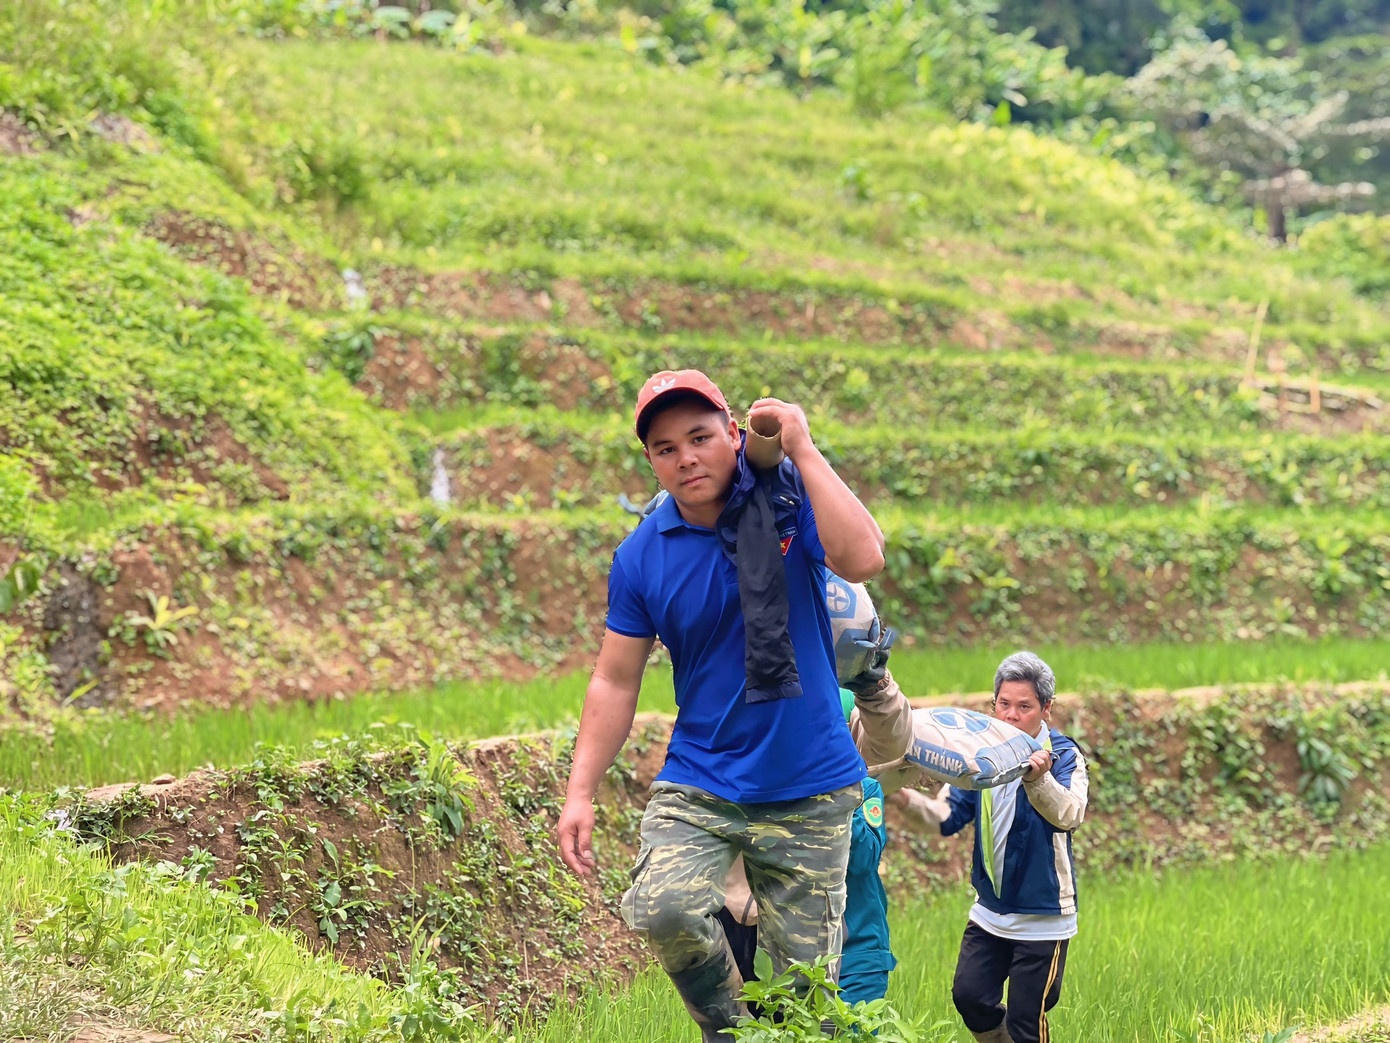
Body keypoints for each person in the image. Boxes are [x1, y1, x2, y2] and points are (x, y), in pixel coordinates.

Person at [555, 369, 885, 1041]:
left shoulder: (787, 498)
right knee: (662, 906)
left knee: (808, 1007)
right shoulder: (642, 555)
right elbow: (615, 679)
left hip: (810, 783)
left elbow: (863, 558)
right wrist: (579, 791)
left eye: (700, 437)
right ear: (652, 461)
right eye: (666, 448)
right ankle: (731, 1029)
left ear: (734, 435)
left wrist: (803, 448)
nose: (686, 457)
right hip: (702, 778)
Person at [894, 652, 1088, 1043]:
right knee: (969, 997)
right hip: (990, 912)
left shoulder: (1064, 755)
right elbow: (946, 816)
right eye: (1004, 704)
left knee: (1026, 1021)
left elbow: (1070, 813)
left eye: (1024, 706)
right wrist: (900, 795)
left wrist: (1039, 780)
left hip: (1044, 916)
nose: (1011, 715)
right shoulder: (980, 756)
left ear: (1046, 709)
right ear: (993, 703)